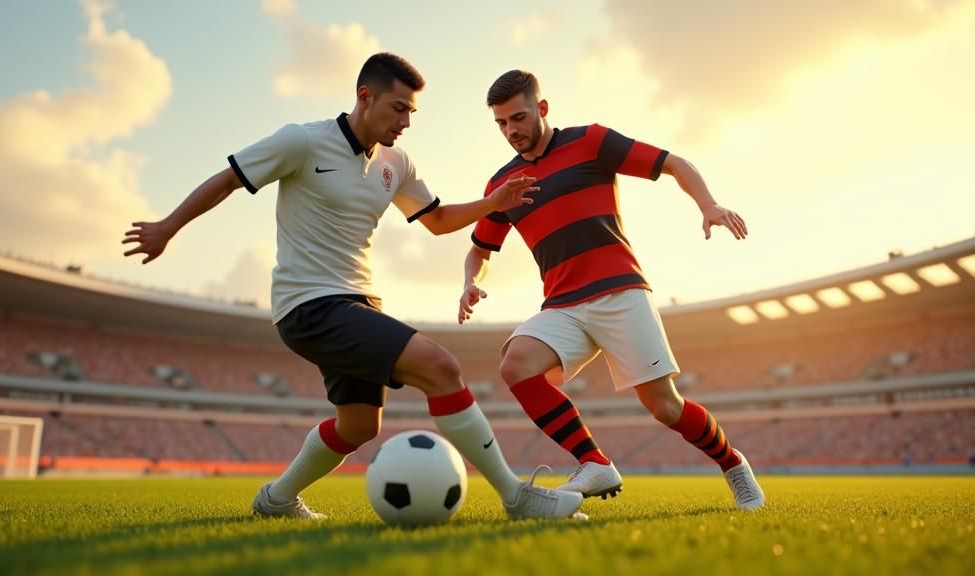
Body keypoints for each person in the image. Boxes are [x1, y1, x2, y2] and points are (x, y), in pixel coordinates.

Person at [123, 54, 583, 520]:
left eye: (412, 113)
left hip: (360, 303)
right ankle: (516, 496)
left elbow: (439, 222)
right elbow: (228, 181)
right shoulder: (301, 141)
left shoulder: (396, 163)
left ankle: (275, 500)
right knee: (442, 367)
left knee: (359, 425)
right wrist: (167, 226)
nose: (406, 122)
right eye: (398, 108)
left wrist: (494, 202)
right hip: (307, 304)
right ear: (365, 97)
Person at [458, 69, 765, 510]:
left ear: (542, 109)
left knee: (665, 407)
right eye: (502, 124)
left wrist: (708, 204)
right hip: (562, 305)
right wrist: (471, 282)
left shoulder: (591, 141)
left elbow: (674, 163)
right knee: (516, 363)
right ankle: (594, 462)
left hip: (621, 292)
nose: (511, 131)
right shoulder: (501, 186)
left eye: (519, 118)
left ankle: (734, 464)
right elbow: (480, 250)